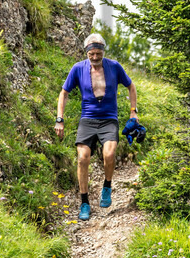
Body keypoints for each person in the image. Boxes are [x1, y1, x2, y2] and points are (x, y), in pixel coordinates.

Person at [56, 33, 137, 221]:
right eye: (91, 54)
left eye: (98, 54)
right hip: (88, 119)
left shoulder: (114, 67)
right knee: (82, 158)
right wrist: (59, 119)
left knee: (109, 154)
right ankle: (84, 202)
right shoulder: (78, 69)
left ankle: (107, 187)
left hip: (109, 119)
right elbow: (64, 93)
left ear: (103, 51)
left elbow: (131, 86)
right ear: (86, 52)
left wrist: (133, 111)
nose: (94, 58)